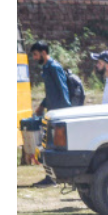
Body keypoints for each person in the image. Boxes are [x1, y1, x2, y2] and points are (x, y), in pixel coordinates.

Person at [28, 41, 71, 187]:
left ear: (43, 53)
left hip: (59, 114)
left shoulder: (54, 67)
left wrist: (65, 112)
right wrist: (41, 106)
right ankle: (51, 177)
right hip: (51, 113)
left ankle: (53, 178)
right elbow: (51, 93)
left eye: (35, 54)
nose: (34, 58)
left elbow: (63, 90)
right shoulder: (47, 68)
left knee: (55, 147)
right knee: (48, 146)